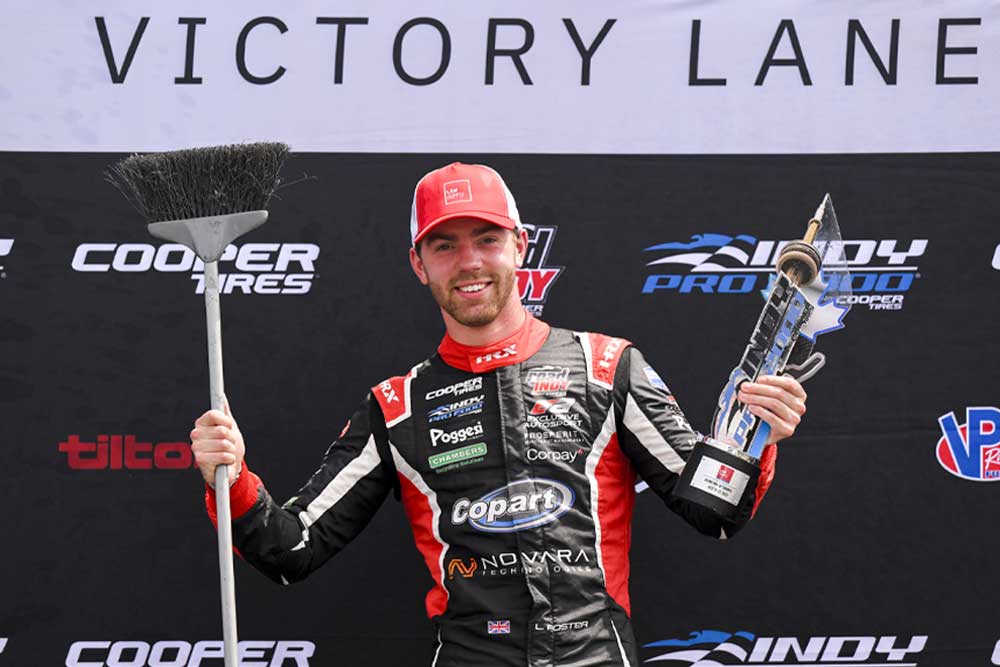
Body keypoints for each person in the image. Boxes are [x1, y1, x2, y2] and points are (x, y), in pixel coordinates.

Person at [191, 163, 808, 667]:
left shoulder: (607, 366)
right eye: (445, 245)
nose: (469, 262)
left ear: (519, 246)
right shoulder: (396, 407)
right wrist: (233, 475)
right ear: (419, 263)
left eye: (486, 239)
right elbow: (290, 550)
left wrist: (758, 434)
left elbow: (714, 510)